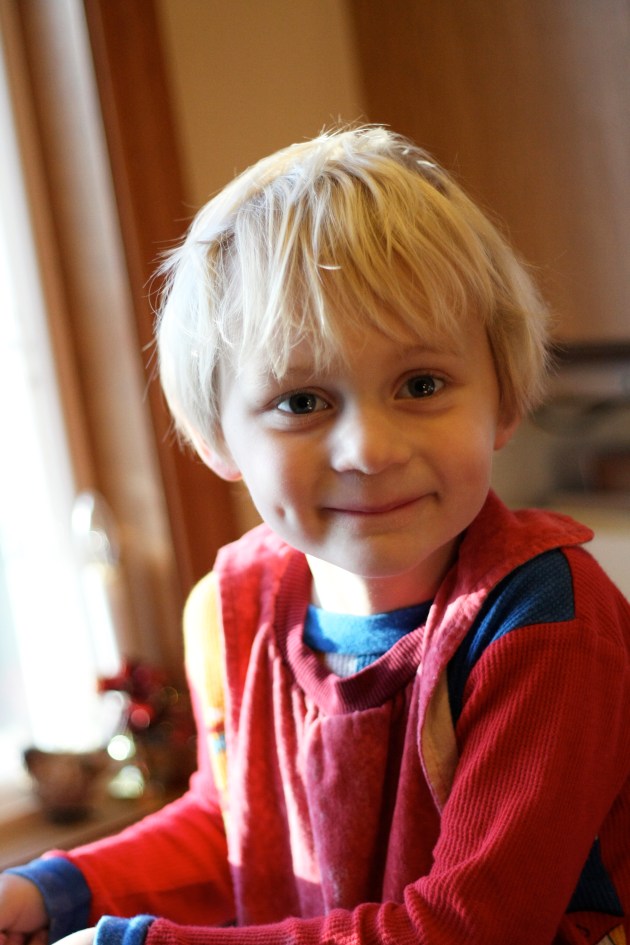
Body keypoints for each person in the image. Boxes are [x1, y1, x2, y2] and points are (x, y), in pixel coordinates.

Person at [1, 125, 629, 945]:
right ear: (216, 436)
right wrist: (53, 889)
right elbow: (230, 824)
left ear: (504, 401)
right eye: (302, 401)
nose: (369, 449)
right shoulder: (232, 608)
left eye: (421, 384)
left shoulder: (546, 619)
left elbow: (471, 928)